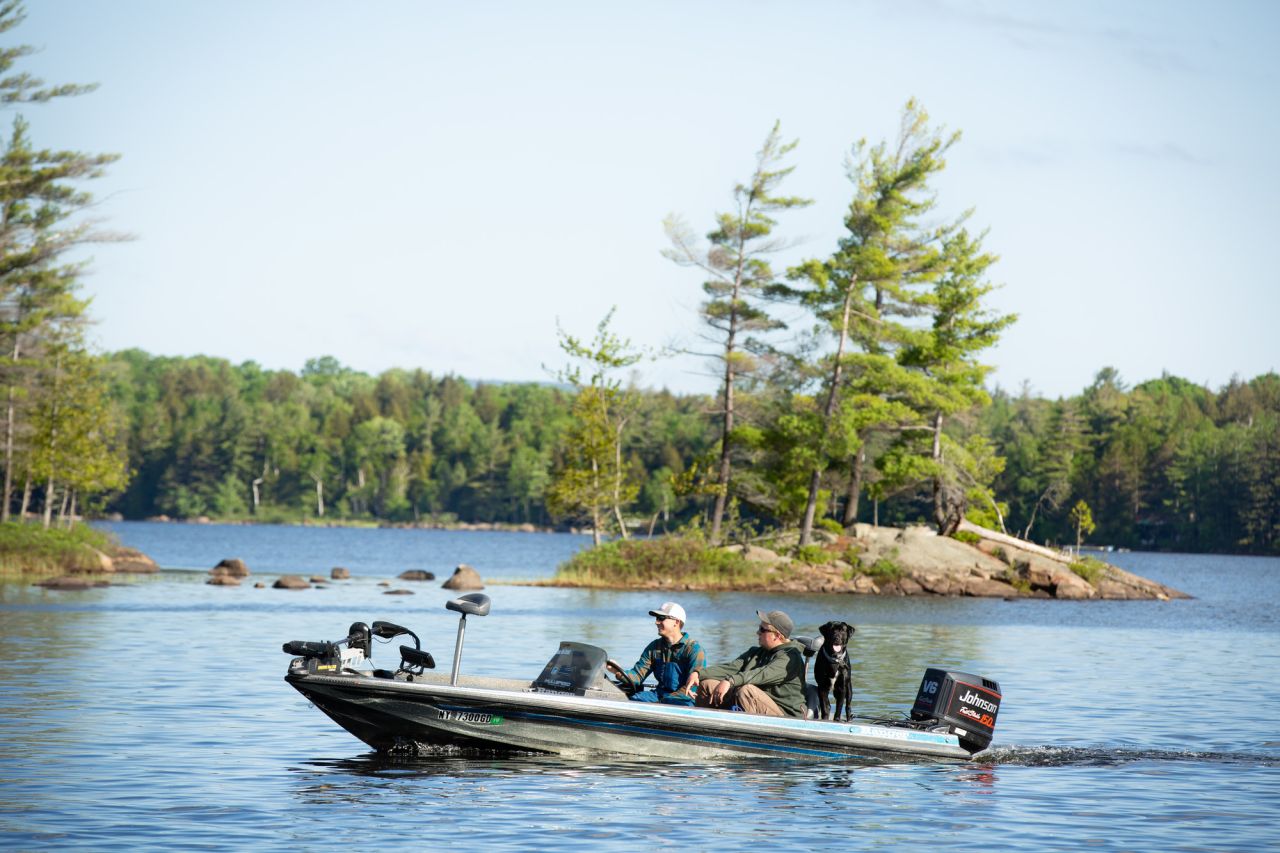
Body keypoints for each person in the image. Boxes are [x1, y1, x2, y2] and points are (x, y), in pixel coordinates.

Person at [690, 609, 807, 718]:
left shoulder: (790, 658)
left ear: (777, 635)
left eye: (762, 630)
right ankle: (707, 727)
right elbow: (731, 668)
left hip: (786, 714)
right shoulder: (756, 652)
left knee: (747, 691)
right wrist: (698, 674)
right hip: (759, 704)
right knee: (707, 685)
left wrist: (730, 681)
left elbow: (762, 674)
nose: (757, 632)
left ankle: (745, 735)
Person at [605, 602, 705, 706]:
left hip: (683, 699)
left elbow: (693, 686)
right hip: (658, 695)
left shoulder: (694, 649)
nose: (656, 622)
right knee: (633, 700)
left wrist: (662, 702)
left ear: (676, 622)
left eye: (661, 618)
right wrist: (617, 671)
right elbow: (637, 676)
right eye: (656, 618)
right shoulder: (654, 647)